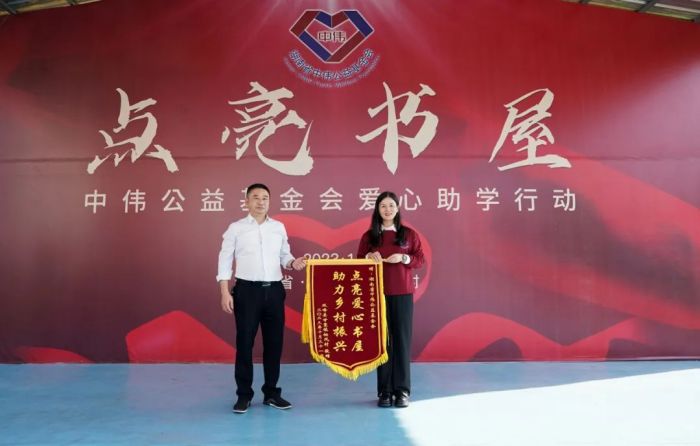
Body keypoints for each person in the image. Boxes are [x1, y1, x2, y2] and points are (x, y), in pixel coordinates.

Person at [217, 183, 306, 414]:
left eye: (265, 197)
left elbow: (284, 255)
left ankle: (271, 393)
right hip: (247, 291)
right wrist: (224, 291)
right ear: (246, 201)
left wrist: (292, 262)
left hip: (274, 291)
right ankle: (244, 395)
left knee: (274, 344)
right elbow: (225, 260)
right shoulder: (236, 228)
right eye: (255, 197)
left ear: (270, 201)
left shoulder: (278, 227)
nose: (260, 201)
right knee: (245, 343)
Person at [356, 191, 425, 408]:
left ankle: (402, 391)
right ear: (377, 209)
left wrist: (403, 257)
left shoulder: (409, 234)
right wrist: (369, 257)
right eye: (383, 206)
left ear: (397, 208)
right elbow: (358, 260)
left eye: (391, 206)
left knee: (402, 342)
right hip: (377, 295)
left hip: (402, 294)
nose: (387, 210)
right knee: (383, 344)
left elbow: (420, 259)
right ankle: (384, 391)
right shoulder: (370, 237)